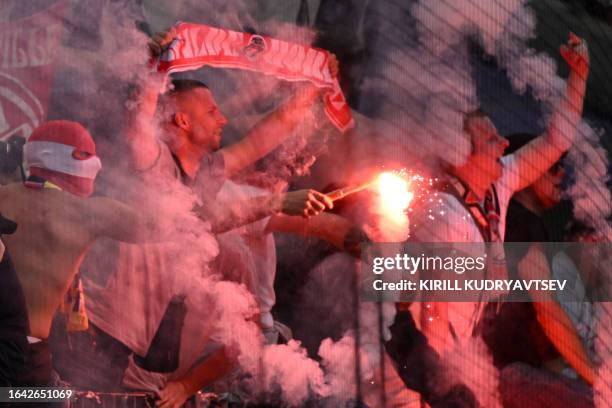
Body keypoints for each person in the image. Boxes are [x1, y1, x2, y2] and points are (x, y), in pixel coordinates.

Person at [386, 32, 589, 405]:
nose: (502, 143)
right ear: (460, 154)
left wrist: (579, 77)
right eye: (489, 138)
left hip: (449, 372)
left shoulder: (496, 187)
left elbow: (556, 142)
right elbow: (432, 313)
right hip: (413, 384)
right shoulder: (444, 216)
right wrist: (439, 391)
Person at [0, 120, 172, 387]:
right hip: (22, 359)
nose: (98, 163)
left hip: (23, 355)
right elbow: (178, 228)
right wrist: (256, 207)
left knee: (55, 397)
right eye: (86, 154)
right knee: (54, 401)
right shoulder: (85, 214)